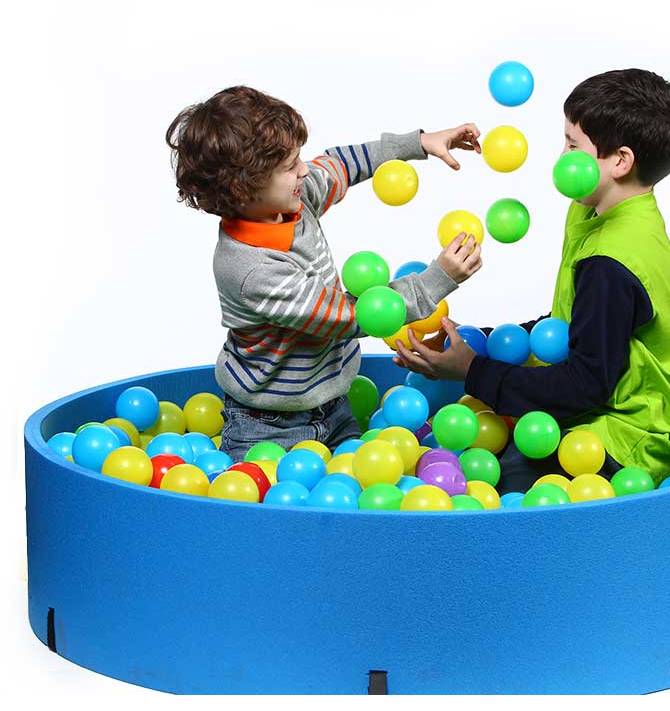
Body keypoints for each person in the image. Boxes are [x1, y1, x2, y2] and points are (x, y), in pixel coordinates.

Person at [393, 68, 670, 491]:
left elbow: (585, 385)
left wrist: (473, 372)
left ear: (620, 161)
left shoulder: (612, 260)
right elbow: (570, 326)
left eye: (572, 146)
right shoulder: (594, 210)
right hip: (595, 408)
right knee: (467, 451)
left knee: (495, 493)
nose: (561, 158)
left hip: (630, 437)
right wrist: (470, 340)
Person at [166, 85, 483, 463]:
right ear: (243, 188)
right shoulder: (251, 268)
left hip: (333, 406)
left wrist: (420, 143)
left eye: (297, 158)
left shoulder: (291, 202)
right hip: (268, 426)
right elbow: (345, 317)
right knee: (266, 512)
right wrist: (438, 279)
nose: (304, 169)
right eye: (289, 166)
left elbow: (340, 164)